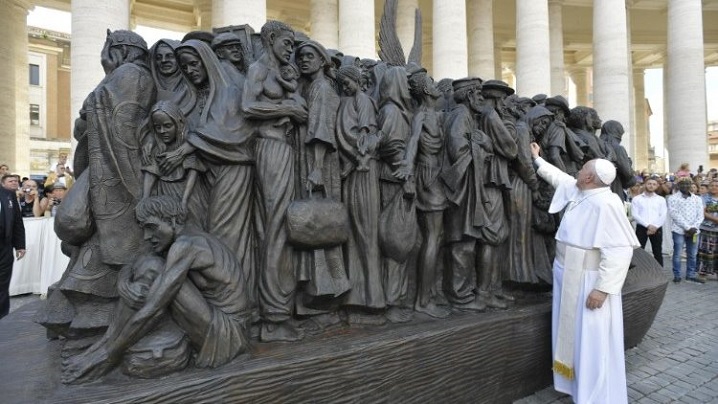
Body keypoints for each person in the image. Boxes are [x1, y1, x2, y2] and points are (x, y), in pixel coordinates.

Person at [61, 196, 251, 384]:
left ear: (174, 221)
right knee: (151, 264)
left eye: (151, 227)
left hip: (227, 335)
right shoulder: (184, 239)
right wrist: (123, 281)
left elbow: (155, 308)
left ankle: (104, 352)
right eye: (144, 229)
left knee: (154, 269)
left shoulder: (185, 246)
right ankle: (103, 345)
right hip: (218, 323)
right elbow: (138, 262)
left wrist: (108, 356)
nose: (147, 236)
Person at [529, 142, 639, 404]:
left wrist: (602, 289)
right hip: (568, 275)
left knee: (592, 338)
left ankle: (595, 395)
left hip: (589, 280)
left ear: (589, 177)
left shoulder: (607, 204)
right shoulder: (581, 191)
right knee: (574, 335)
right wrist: (537, 159)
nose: (577, 172)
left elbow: (621, 250)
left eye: (582, 170)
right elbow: (559, 177)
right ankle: (576, 386)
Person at [242, 21, 308, 342]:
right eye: (287, 42)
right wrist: (286, 108)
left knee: (279, 226)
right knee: (273, 227)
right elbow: (247, 105)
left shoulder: (284, 73)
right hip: (268, 148)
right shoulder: (259, 69)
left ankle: (276, 309)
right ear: (270, 39)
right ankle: (273, 316)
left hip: (285, 149)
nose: (290, 49)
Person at [667, 178, 705, 283]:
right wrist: (688, 227)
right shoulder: (672, 198)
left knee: (692, 254)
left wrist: (694, 227)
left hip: (694, 231)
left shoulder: (697, 199)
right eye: (682, 184)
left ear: (691, 185)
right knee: (678, 253)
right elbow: (674, 214)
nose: (685, 186)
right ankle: (677, 275)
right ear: (678, 185)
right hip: (678, 230)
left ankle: (691, 274)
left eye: (688, 184)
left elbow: (700, 215)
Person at [0, 184, 26, 318]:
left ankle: (2, 318)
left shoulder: (8, 194)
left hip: (4, 246)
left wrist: (20, 244)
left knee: (2, 283)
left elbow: (17, 220)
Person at [631, 177, 667, 266]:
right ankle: (639, 272)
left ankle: (660, 274)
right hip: (642, 228)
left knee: (657, 251)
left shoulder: (661, 199)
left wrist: (654, 226)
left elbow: (663, 215)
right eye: (649, 183)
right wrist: (648, 226)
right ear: (645, 184)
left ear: (657, 186)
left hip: (657, 228)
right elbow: (635, 215)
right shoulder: (637, 199)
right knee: (639, 251)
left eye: (654, 184)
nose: (651, 186)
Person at [698, 179, 718, 278]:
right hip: (707, 229)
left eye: (716, 185)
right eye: (712, 185)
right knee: (706, 251)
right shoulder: (704, 198)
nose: (714, 187)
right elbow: (703, 212)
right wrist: (715, 219)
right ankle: (703, 272)